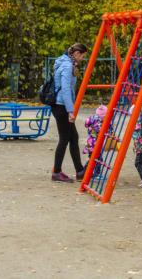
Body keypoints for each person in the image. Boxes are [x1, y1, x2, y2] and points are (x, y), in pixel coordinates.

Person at [51, 43, 88, 183]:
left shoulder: (64, 62)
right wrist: (70, 111)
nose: (82, 59)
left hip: (60, 105)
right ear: (77, 54)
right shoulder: (67, 66)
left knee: (73, 137)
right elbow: (65, 90)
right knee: (65, 139)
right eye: (82, 56)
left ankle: (79, 171)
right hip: (61, 106)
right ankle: (56, 172)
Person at [82, 105, 107, 174]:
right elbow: (105, 131)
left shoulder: (92, 118)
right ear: (103, 116)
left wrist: (90, 127)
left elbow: (86, 124)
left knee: (93, 159)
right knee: (98, 159)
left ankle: (84, 171)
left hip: (90, 143)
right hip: (95, 145)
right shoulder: (101, 124)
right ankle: (94, 173)